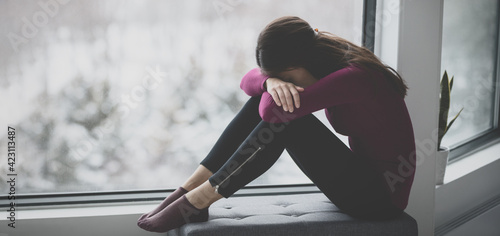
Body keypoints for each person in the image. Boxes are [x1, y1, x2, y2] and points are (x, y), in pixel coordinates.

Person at [137, 16, 416, 233]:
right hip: (358, 181)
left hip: (378, 200)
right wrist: (271, 81)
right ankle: (189, 189)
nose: (288, 86)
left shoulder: (354, 78)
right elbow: (248, 82)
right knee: (266, 103)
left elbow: (271, 113)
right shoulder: (326, 62)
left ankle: (199, 200)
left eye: (288, 78)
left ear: (299, 63)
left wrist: (271, 89)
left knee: (286, 120)